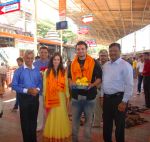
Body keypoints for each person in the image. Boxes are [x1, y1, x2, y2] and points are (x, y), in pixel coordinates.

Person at [68, 41, 102, 142]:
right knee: (74, 123)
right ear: (76, 50)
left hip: (90, 97)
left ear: (86, 50)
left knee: (88, 122)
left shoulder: (94, 62)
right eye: (78, 49)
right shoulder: (72, 63)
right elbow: (69, 77)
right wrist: (71, 82)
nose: (80, 51)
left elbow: (99, 77)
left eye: (82, 49)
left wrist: (93, 84)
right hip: (76, 97)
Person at [102, 43, 133, 142]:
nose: (112, 53)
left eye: (115, 50)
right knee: (106, 124)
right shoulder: (105, 65)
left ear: (120, 52)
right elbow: (103, 82)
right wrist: (102, 97)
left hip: (119, 99)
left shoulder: (125, 65)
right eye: (110, 51)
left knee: (119, 126)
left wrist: (124, 101)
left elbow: (129, 85)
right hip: (107, 99)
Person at [12, 50, 42, 142]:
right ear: (24, 58)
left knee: (33, 121)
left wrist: (38, 89)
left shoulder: (37, 69)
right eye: (27, 58)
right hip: (24, 98)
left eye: (31, 58)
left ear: (33, 58)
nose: (29, 60)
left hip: (35, 97)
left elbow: (40, 82)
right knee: (25, 122)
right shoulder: (18, 71)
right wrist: (27, 90)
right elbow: (14, 85)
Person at [43, 52, 71, 142]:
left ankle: (60, 135)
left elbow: (66, 85)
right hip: (51, 97)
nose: (56, 61)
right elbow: (45, 86)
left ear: (60, 61)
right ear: (52, 60)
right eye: (54, 59)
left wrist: (67, 97)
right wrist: (44, 97)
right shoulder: (47, 71)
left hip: (61, 97)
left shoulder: (63, 71)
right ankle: (53, 135)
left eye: (58, 59)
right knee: (52, 116)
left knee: (61, 116)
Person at [33, 46, 49, 131]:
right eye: (41, 52)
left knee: (49, 110)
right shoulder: (35, 64)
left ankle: (49, 126)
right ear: (39, 53)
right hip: (39, 90)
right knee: (39, 109)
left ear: (48, 53)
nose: (43, 54)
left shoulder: (51, 63)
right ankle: (39, 126)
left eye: (45, 52)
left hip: (49, 91)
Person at [93, 49, 109, 127]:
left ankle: (108, 124)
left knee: (107, 108)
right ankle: (96, 123)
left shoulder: (111, 65)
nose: (103, 57)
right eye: (101, 56)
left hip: (108, 91)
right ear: (99, 56)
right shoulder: (96, 65)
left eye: (105, 55)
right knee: (97, 107)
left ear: (107, 56)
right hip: (98, 89)